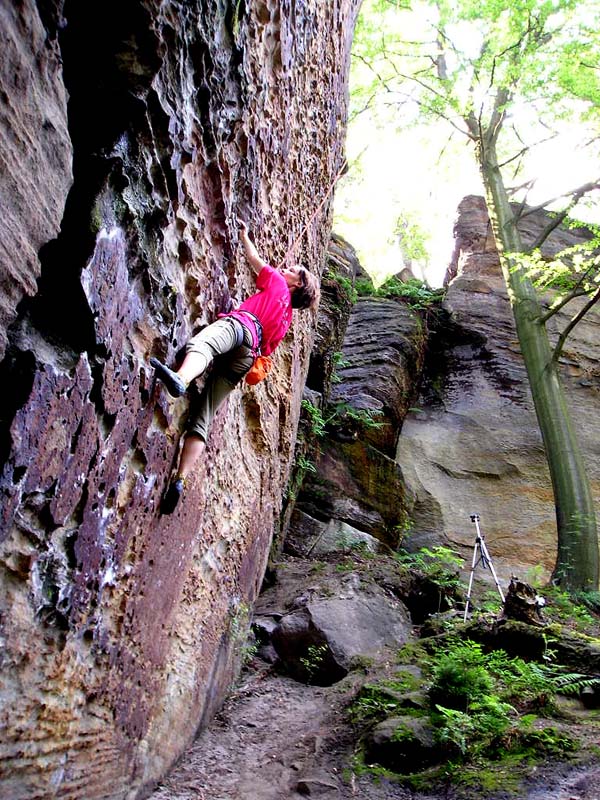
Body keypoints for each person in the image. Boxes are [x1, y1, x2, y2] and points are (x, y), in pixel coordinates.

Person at [150, 221, 320, 513]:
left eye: (293, 270)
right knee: (204, 415)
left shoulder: (278, 283)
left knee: (203, 345)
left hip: (240, 327)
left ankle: (181, 378)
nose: (287, 268)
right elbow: (266, 350)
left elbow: (255, 261)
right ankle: (180, 479)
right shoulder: (286, 321)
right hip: (247, 356)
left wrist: (243, 236)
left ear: (296, 284)